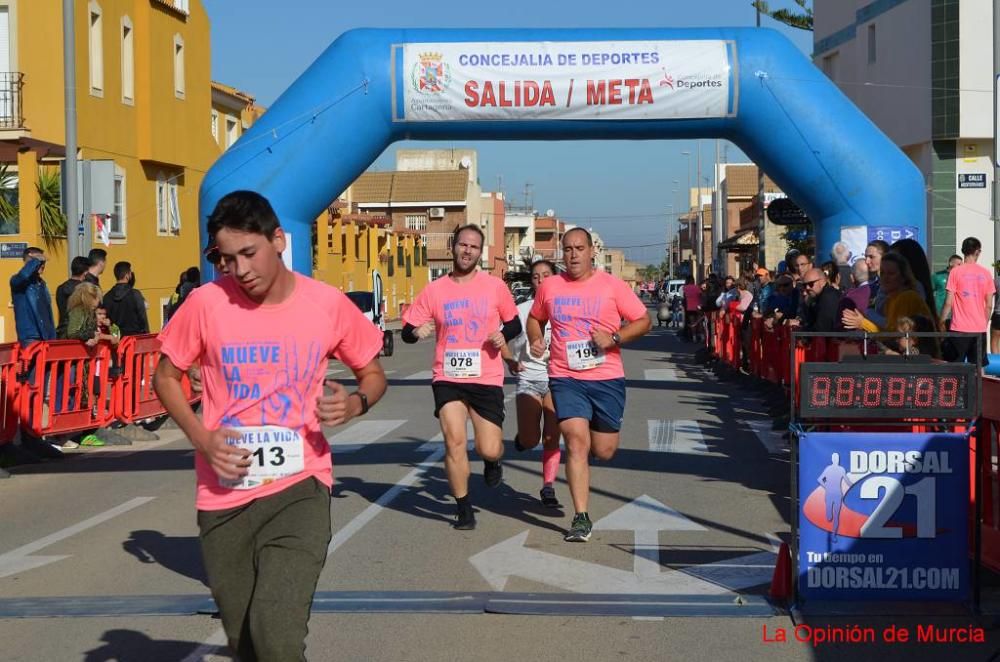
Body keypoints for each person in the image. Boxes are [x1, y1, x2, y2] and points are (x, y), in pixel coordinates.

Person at [153, 190, 387, 661]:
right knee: (246, 644)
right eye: (227, 258)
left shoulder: (326, 303)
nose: (240, 270)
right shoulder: (205, 303)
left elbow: (373, 373)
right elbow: (165, 377)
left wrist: (357, 403)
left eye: (249, 253)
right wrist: (201, 438)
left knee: (276, 635)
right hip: (224, 495)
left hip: (300, 485)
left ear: (278, 240)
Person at [527, 227, 651, 542]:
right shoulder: (551, 286)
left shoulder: (613, 286)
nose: (573, 255)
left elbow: (643, 320)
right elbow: (535, 318)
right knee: (576, 441)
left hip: (606, 376)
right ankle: (581, 517)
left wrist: (615, 338)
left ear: (592, 251)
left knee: (604, 450)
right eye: (567, 249)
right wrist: (536, 337)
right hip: (565, 376)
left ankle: (593, 448)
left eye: (579, 248)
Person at [401, 224, 521, 530]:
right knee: (454, 440)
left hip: (486, 377)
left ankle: (493, 461)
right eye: (463, 245)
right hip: (448, 376)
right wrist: (417, 332)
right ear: (453, 247)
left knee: (488, 447)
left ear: (481, 253)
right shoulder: (435, 290)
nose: (467, 251)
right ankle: (463, 507)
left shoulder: (494, 287)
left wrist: (501, 334)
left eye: (474, 247)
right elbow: (406, 331)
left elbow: (514, 324)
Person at [502, 259, 562, 508]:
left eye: (546, 275)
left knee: (551, 436)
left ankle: (548, 486)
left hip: (557, 379)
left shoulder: (565, 307)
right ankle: (523, 440)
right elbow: (501, 338)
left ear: (555, 278)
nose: (540, 280)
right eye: (536, 277)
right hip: (528, 377)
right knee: (530, 439)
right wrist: (510, 361)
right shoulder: (522, 310)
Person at [843, 253, 933, 335]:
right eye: (882, 273)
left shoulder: (908, 296)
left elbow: (896, 335)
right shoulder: (890, 299)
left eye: (891, 273)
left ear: (903, 277)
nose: (885, 277)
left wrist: (863, 323)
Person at [939, 237, 996, 366]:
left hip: (959, 328)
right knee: (978, 367)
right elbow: (988, 305)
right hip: (978, 328)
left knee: (954, 366)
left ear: (963, 251)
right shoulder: (986, 273)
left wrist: (941, 321)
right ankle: (979, 387)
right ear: (977, 252)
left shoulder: (955, 272)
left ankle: (957, 387)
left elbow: (948, 302)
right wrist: (983, 323)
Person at [103, 261, 149, 337]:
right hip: (134, 341)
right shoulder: (135, 294)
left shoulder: (107, 297)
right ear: (127, 275)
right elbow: (143, 319)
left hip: (116, 342)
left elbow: (107, 322)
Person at [792, 268, 842, 333]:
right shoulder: (818, 297)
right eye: (804, 285)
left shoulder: (828, 297)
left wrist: (799, 330)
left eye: (811, 284)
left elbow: (822, 330)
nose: (807, 288)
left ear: (822, 281)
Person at [56, 256, 92, 338]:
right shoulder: (84, 290)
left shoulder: (60, 288)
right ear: (85, 273)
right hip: (78, 334)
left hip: (62, 332)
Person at [933, 254, 963, 321]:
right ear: (951, 263)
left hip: (955, 315)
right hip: (939, 313)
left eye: (962, 265)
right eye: (959, 264)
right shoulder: (937, 276)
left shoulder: (962, 278)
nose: (961, 267)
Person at [681, 276, 701, 341]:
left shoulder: (685, 288)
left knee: (691, 322)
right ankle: (701, 336)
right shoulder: (697, 287)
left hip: (689, 308)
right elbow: (700, 295)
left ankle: (693, 337)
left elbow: (684, 297)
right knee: (698, 322)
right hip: (697, 307)